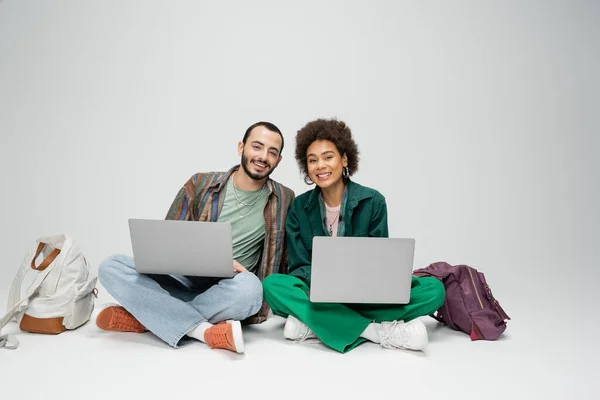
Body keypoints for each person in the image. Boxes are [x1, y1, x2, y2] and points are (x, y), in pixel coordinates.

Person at [95, 121, 295, 353]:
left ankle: (148, 317)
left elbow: (285, 259)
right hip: (183, 280)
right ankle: (202, 331)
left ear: (279, 160)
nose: (263, 156)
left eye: (272, 152)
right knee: (111, 266)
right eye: (257, 147)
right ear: (241, 148)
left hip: (229, 292)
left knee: (251, 288)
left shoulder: (284, 198)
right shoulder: (201, 183)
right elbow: (167, 241)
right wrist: (212, 260)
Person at [262, 118, 445, 354]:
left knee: (434, 290)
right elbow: (299, 267)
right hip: (318, 293)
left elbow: (381, 264)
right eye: (312, 160)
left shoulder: (373, 201)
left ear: (344, 159)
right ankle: (375, 331)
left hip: (365, 294)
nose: (320, 166)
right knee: (273, 286)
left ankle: (316, 324)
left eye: (328, 157)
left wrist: (352, 282)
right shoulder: (299, 208)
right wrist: (327, 280)